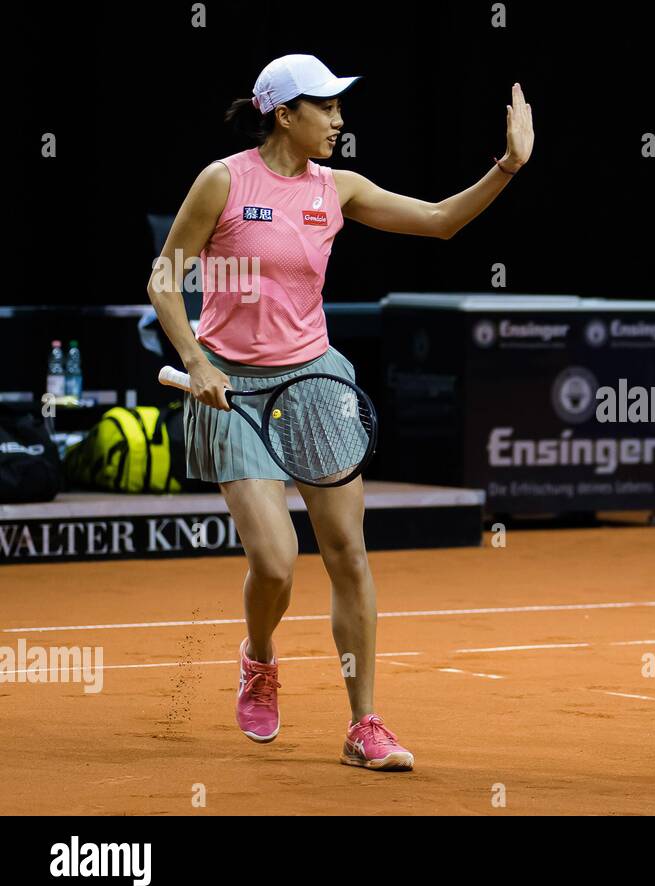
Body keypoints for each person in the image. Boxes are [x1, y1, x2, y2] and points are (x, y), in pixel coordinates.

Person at [146, 54, 534, 770]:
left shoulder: (339, 187)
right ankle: (259, 659)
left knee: (349, 555)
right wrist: (197, 361)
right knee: (274, 561)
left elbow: (441, 221)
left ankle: (365, 723)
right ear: (285, 115)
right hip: (231, 383)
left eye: (338, 105)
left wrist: (506, 167)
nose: (339, 119)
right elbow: (165, 279)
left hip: (316, 379)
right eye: (325, 106)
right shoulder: (223, 181)